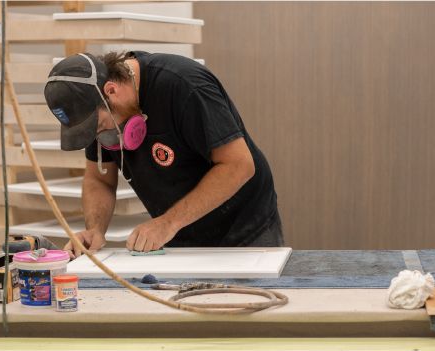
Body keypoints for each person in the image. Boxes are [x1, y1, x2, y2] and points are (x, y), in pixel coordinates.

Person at [43, 51, 282, 258]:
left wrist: (168, 222)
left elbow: (239, 165)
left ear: (111, 90)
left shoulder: (185, 85)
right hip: (179, 232)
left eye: (101, 126)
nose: (101, 136)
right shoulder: (96, 113)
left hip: (244, 228)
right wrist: (95, 229)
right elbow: (99, 179)